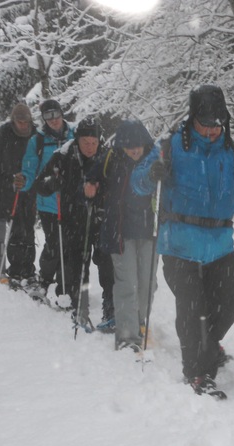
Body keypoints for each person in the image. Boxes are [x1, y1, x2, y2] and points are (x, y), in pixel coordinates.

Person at [131, 84, 234, 397]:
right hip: (179, 245)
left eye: (218, 123)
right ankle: (198, 374)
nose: (213, 129)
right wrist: (152, 175)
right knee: (192, 310)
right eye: (207, 123)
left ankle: (209, 345)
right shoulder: (170, 146)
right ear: (193, 119)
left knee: (231, 299)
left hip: (219, 244)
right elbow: (138, 183)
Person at [84, 119, 160, 351]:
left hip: (150, 231)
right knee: (127, 283)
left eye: (137, 144)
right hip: (119, 232)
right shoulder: (111, 159)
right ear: (121, 146)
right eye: (128, 146)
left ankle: (138, 322)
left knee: (148, 284)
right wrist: (89, 187)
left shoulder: (156, 160)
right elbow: (90, 179)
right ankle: (127, 335)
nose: (134, 149)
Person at [35, 116, 114, 330]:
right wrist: (54, 182)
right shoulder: (63, 155)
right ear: (77, 139)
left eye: (94, 142)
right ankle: (80, 306)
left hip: (101, 218)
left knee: (107, 263)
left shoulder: (107, 155)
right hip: (73, 219)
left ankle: (110, 308)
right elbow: (40, 185)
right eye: (85, 142)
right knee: (78, 264)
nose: (90, 147)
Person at [14, 99, 74, 301]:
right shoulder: (37, 141)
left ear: (61, 113)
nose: (54, 120)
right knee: (53, 243)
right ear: (43, 119)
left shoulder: (75, 134)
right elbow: (30, 169)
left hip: (72, 201)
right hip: (48, 202)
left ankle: (67, 284)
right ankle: (45, 280)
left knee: (70, 244)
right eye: (48, 116)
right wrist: (25, 180)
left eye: (56, 114)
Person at [0, 103, 36, 285]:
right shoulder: (1, 136)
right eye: (19, 122)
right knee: (4, 232)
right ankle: (3, 270)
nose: (23, 125)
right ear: (13, 121)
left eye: (26, 122)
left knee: (26, 230)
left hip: (28, 189)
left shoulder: (35, 135)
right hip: (3, 189)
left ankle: (26, 269)